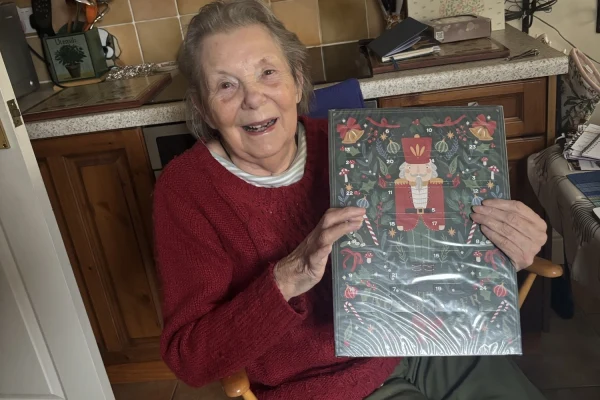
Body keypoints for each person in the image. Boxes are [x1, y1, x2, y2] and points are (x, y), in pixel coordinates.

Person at [153, 1, 548, 399]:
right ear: (204, 108)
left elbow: (433, 249)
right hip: (327, 387)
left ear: (297, 81)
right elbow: (191, 359)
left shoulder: (357, 145)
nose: (253, 98)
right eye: (226, 85)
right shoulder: (187, 190)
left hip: (433, 339)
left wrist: (501, 251)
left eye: (268, 73)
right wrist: (288, 276)